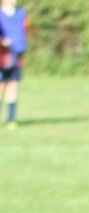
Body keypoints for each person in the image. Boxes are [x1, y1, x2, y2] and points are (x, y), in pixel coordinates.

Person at [0, 0, 28, 129]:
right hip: (2, 54)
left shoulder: (21, 13)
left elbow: (23, 30)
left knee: (13, 85)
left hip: (16, 54)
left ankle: (11, 119)